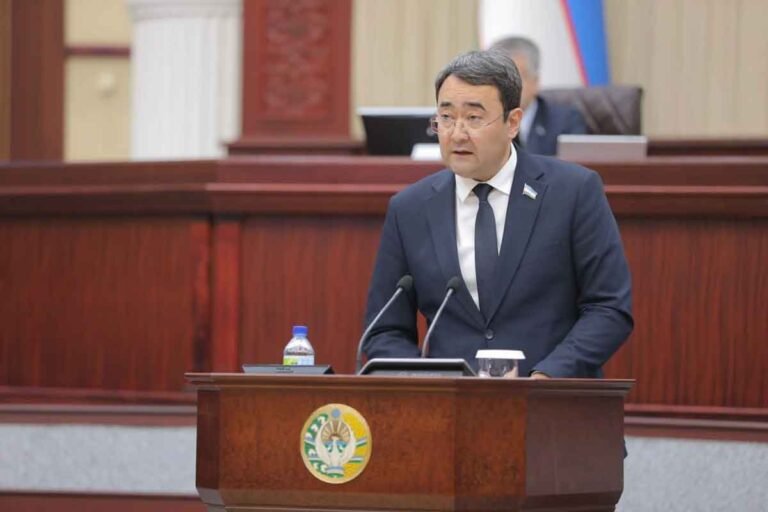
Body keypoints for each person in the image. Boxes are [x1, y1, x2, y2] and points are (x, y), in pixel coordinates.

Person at [362, 50, 632, 378]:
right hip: (451, 402)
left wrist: (547, 377)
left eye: (474, 118)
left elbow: (609, 308)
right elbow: (384, 331)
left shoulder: (572, 192)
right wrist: (425, 383)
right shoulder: (410, 209)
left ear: (512, 123)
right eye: (446, 117)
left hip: (551, 397)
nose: (457, 133)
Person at [489, 36, 587, 156]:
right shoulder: (480, 122)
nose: (504, 87)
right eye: (497, 79)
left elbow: (572, 166)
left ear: (535, 82)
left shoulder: (565, 121)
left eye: (514, 78)